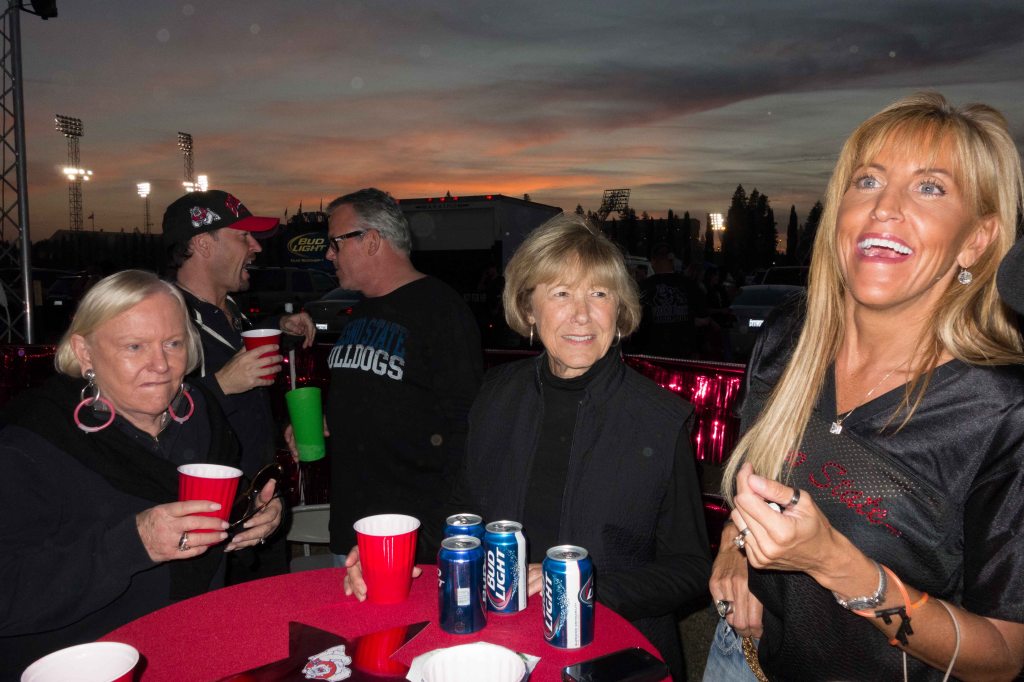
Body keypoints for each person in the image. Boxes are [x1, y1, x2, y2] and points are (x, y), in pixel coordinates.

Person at [704, 92, 1024, 681]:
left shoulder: (1001, 412)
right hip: (741, 663)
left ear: (976, 240)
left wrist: (838, 566)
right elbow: (754, 487)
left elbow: (1004, 657)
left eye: (930, 187)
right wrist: (731, 546)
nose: (885, 208)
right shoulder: (787, 339)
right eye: (868, 180)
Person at [344, 214, 710, 678]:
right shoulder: (496, 394)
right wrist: (397, 556)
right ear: (529, 309)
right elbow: (461, 511)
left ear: (619, 311)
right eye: (560, 293)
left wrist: (586, 586)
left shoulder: (660, 419)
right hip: (496, 644)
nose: (582, 314)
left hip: (611, 650)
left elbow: (690, 567)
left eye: (599, 293)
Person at [0, 270, 282, 677]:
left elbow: (213, 518)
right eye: (134, 346)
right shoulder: (30, 444)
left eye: (173, 343)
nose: (161, 365)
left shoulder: (200, 413)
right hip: (87, 664)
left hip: (194, 645)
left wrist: (251, 517)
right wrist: (135, 543)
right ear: (85, 353)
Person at [312, 188, 482, 564]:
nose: (329, 254)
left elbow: (466, 425)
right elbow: (377, 393)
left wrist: (440, 532)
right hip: (353, 524)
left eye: (336, 243)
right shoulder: (362, 311)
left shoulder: (440, 309)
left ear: (371, 240)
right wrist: (326, 421)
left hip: (410, 532)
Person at [164, 189, 315, 479]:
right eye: (243, 236)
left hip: (255, 494)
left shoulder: (233, 311)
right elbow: (151, 422)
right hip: (209, 502)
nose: (256, 246)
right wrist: (221, 385)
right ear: (204, 244)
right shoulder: (166, 322)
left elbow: (246, 397)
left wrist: (280, 325)